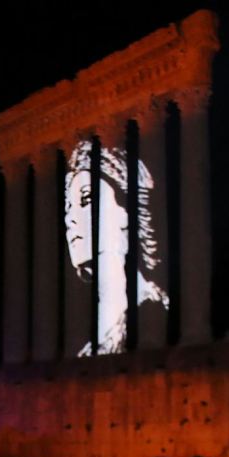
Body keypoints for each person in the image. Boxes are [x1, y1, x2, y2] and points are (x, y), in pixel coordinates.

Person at [63, 139, 168, 356]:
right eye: (68, 207)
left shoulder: (152, 310)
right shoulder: (91, 345)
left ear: (125, 212)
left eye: (87, 199)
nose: (71, 219)